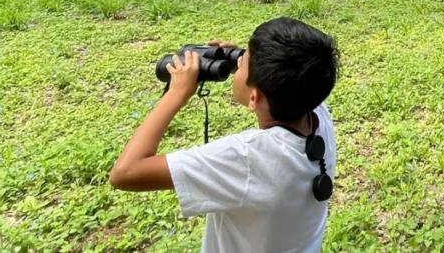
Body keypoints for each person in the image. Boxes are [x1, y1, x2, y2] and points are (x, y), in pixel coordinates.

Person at [109, 17, 339, 253]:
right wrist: (249, 63)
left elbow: (125, 173)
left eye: (243, 63)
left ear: (254, 97)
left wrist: (176, 94)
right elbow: (289, 84)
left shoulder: (245, 158)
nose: (238, 63)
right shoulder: (317, 112)